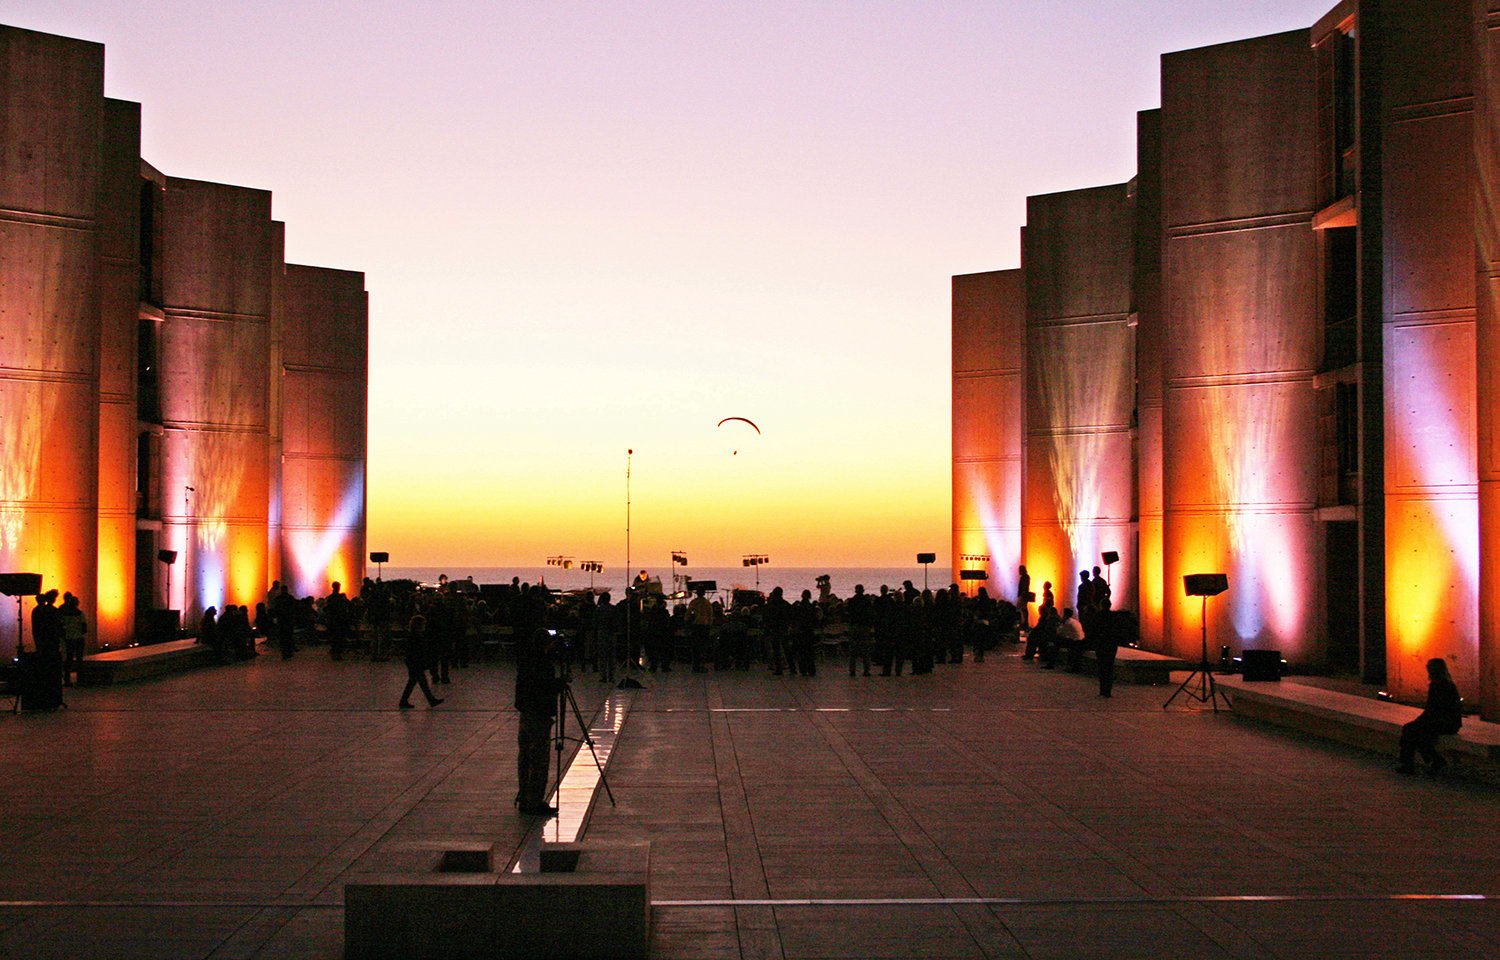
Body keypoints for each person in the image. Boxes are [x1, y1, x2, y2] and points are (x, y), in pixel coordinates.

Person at [515, 627, 568, 816]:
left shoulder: (526, 658)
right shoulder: (543, 663)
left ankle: (524, 796)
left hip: (526, 712)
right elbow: (543, 689)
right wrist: (559, 684)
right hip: (539, 714)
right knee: (538, 759)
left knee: (525, 757)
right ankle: (534, 801)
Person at [1397, 658, 1463, 775]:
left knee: (1413, 732)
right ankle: (1429, 761)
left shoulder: (1443, 686)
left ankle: (1411, 763)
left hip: (1446, 723)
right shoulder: (1439, 685)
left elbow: (1438, 709)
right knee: (1413, 732)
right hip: (1440, 721)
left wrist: (1421, 721)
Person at [398, 611, 444, 709]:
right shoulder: (417, 636)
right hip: (416, 662)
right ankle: (430, 700)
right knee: (420, 682)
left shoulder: (413, 634)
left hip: (412, 661)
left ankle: (405, 701)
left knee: (415, 682)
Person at [59, 592, 87, 686]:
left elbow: (61, 626)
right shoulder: (80, 613)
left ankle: (67, 679)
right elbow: (84, 627)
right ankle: (80, 679)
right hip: (79, 637)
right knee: (79, 659)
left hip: (69, 638)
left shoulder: (64, 614)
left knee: (69, 658)